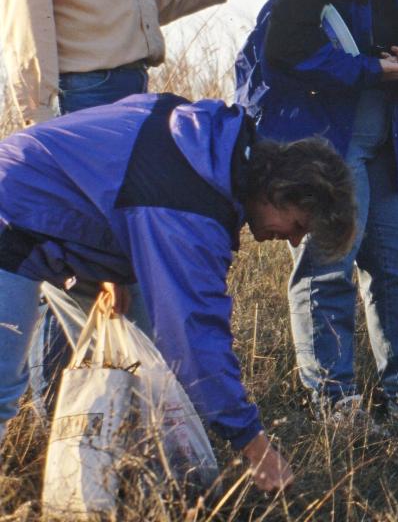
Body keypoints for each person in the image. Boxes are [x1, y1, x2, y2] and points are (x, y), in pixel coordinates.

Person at [0, 0, 265, 424]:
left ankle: (103, 422)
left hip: (129, 98)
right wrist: (43, 132)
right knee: (71, 271)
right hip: (81, 104)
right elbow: (25, 24)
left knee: (125, 282)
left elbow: (147, 1)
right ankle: (53, 417)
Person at [0, 93, 355, 492]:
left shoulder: (208, 144)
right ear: (281, 191)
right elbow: (192, 338)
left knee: (126, 367)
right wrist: (255, 446)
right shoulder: (192, 206)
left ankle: (99, 487)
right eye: (297, 225)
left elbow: (114, 173)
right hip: (12, 215)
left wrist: (109, 265)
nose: (291, 239)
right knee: (2, 389)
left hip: (33, 199)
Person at [235, 0, 398, 422]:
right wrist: (373, 71)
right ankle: (334, 399)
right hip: (322, 142)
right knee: (328, 268)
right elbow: (286, 52)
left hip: (382, 143)